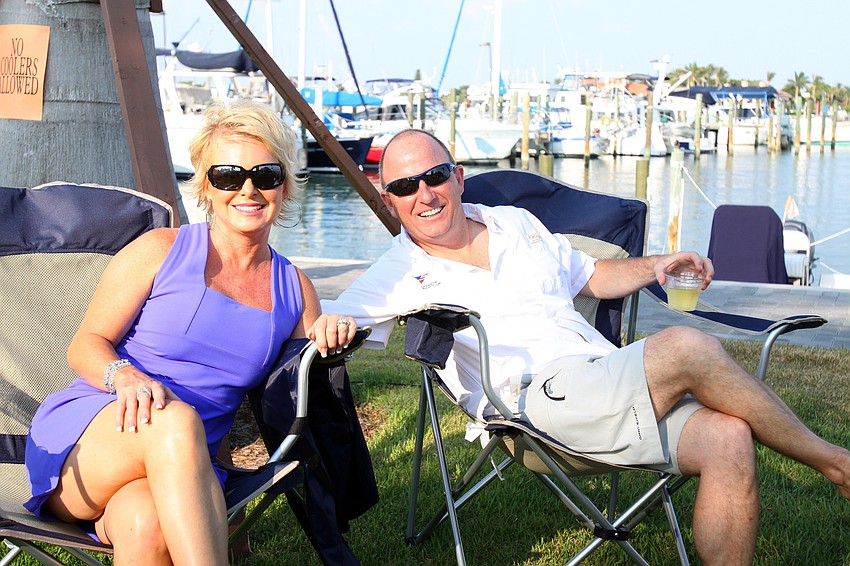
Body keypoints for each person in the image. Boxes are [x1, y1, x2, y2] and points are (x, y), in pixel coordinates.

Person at [317, 129, 850, 565]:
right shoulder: (397, 271)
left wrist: (656, 266)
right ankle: (834, 463)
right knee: (685, 345)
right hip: (529, 410)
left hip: (600, 378)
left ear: (457, 178)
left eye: (434, 176)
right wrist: (326, 327)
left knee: (728, 437)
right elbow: (325, 324)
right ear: (388, 200)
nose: (424, 194)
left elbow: (591, 275)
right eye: (406, 186)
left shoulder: (515, 223)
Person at [24, 100, 356, 565]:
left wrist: (330, 329)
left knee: (147, 523)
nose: (248, 189)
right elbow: (85, 344)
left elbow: (307, 367)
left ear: (284, 186)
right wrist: (124, 375)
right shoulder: (160, 250)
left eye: (265, 175)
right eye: (227, 176)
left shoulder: (294, 290)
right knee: (176, 418)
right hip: (94, 440)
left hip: (187, 472)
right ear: (205, 185)